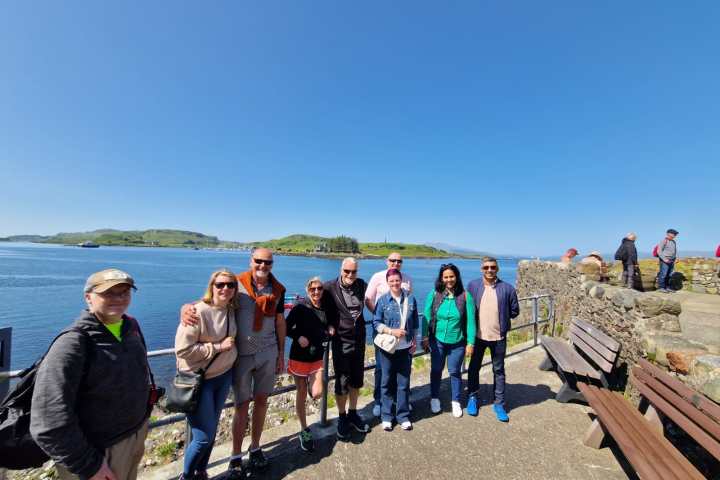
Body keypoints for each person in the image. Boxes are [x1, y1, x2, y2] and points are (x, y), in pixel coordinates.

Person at [30, 269, 152, 480]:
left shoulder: (130, 327)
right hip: (98, 452)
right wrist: (89, 465)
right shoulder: (72, 343)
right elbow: (48, 419)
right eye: (109, 293)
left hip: (133, 437)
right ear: (88, 297)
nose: (119, 298)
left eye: (124, 292)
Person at [181, 248, 286, 476]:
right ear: (251, 261)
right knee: (241, 405)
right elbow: (212, 300)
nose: (263, 265)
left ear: (272, 264)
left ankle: (255, 447)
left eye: (267, 262)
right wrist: (186, 308)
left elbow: (279, 322)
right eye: (258, 261)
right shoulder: (235, 284)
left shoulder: (278, 289)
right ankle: (236, 455)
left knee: (261, 401)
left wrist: (281, 354)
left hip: (268, 352)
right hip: (240, 355)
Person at [175, 270, 238, 480]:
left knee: (211, 431)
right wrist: (218, 347)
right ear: (212, 286)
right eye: (220, 285)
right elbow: (183, 350)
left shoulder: (230, 308)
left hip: (223, 376)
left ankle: (201, 472)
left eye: (230, 285)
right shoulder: (197, 312)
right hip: (199, 382)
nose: (225, 289)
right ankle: (186, 476)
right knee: (203, 437)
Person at [466, 257, 519, 423]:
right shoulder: (473, 286)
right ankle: (473, 397)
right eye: (486, 267)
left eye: (493, 267)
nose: (489, 270)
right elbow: (467, 308)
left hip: (498, 337)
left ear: (498, 269)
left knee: (499, 371)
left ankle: (499, 403)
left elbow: (514, 311)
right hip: (478, 337)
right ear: (482, 269)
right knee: (474, 368)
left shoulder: (508, 288)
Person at [322, 258, 371, 440]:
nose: (350, 275)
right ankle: (342, 417)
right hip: (341, 340)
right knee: (342, 380)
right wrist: (327, 326)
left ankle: (353, 413)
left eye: (354, 271)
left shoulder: (362, 285)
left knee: (357, 379)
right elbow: (318, 307)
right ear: (341, 269)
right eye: (347, 271)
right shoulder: (329, 287)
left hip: (359, 338)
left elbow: (378, 294)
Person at [285, 277, 334, 452]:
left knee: (318, 392)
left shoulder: (325, 308)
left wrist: (330, 328)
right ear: (307, 290)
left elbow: (328, 323)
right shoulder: (300, 307)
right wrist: (298, 337)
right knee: (301, 392)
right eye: (313, 289)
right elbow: (285, 327)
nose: (316, 292)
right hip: (299, 356)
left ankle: (309, 390)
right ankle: (304, 429)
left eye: (319, 288)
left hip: (317, 356)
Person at [421, 264, 475, 418]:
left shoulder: (465, 296)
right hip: (437, 340)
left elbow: (471, 321)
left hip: (457, 342)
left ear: (456, 277)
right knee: (436, 370)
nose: (449, 279)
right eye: (446, 277)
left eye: (452, 276)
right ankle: (434, 398)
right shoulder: (435, 294)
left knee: (455, 372)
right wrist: (424, 337)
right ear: (441, 278)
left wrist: (470, 343)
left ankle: (456, 401)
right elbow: (426, 316)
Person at [365, 252, 413, 417]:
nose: (396, 263)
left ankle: (398, 400)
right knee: (381, 368)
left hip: (403, 334)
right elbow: (367, 299)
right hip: (383, 332)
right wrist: (378, 317)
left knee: (400, 369)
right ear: (387, 261)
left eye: (399, 261)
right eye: (392, 260)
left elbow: (408, 304)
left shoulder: (406, 279)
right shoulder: (377, 277)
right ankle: (379, 400)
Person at [372, 269, 419, 431]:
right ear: (387, 282)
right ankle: (386, 416)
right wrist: (392, 331)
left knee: (403, 383)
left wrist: (414, 341)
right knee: (386, 382)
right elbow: (376, 323)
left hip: (405, 349)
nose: (394, 283)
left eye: (397, 280)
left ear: (401, 280)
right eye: (391, 281)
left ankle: (403, 415)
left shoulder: (411, 299)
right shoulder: (383, 301)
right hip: (387, 349)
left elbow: (415, 323)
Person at [657, 229, 679, 293]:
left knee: (669, 274)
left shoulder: (673, 242)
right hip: (665, 260)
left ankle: (667, 287)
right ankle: (661, 287)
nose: (675, 235)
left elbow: (674, 251)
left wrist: (676, 258)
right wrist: (664, 259)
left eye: (675, 234)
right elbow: (659, 251)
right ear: (668, 234)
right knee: (663, 274)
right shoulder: (664, 241)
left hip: (672, 260)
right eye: (674, 234)